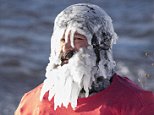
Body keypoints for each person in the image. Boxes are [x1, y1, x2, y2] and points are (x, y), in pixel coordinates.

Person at [15, 3, 154, 115]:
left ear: (101, 44)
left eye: (77, 38)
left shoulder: (137, 104)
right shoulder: (33, 103)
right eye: (63, 39)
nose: (67, 47)